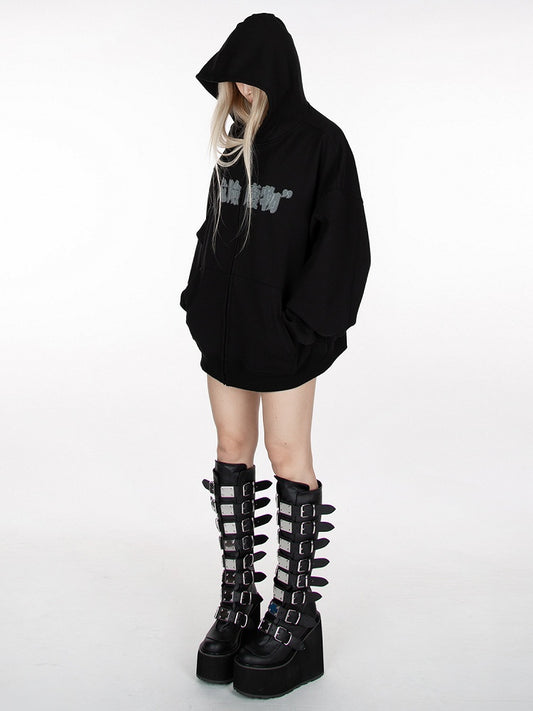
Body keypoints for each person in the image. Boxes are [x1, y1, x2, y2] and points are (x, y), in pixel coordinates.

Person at [179, 12, 371, 698]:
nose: (239, 92)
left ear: (277, 73)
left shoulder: (322, 144)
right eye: (231, 82)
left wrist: (305, 329)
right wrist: (198, 301)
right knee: (232, 450)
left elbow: (344, 246)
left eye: (249, 78)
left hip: (285, 338)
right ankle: (239, 601)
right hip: (227, 334)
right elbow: (214, 230)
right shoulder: (235, 144)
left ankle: (295, 614)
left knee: (288, 456)